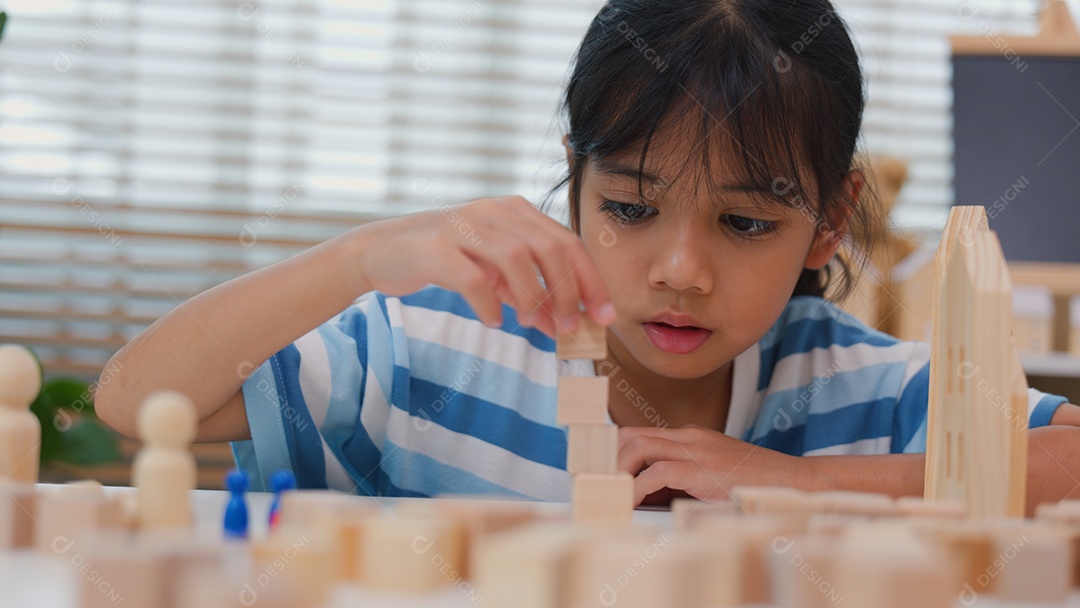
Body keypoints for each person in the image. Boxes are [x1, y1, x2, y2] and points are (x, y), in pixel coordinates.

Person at [97, 0, 1080, 513]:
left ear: (830, 221)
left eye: (745, 223)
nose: (681, 268)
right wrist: (363, 255)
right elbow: (134, 400)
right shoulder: (440, 345)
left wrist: (812, 482)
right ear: (576, 182)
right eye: (631, 206)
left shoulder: (867, 391)